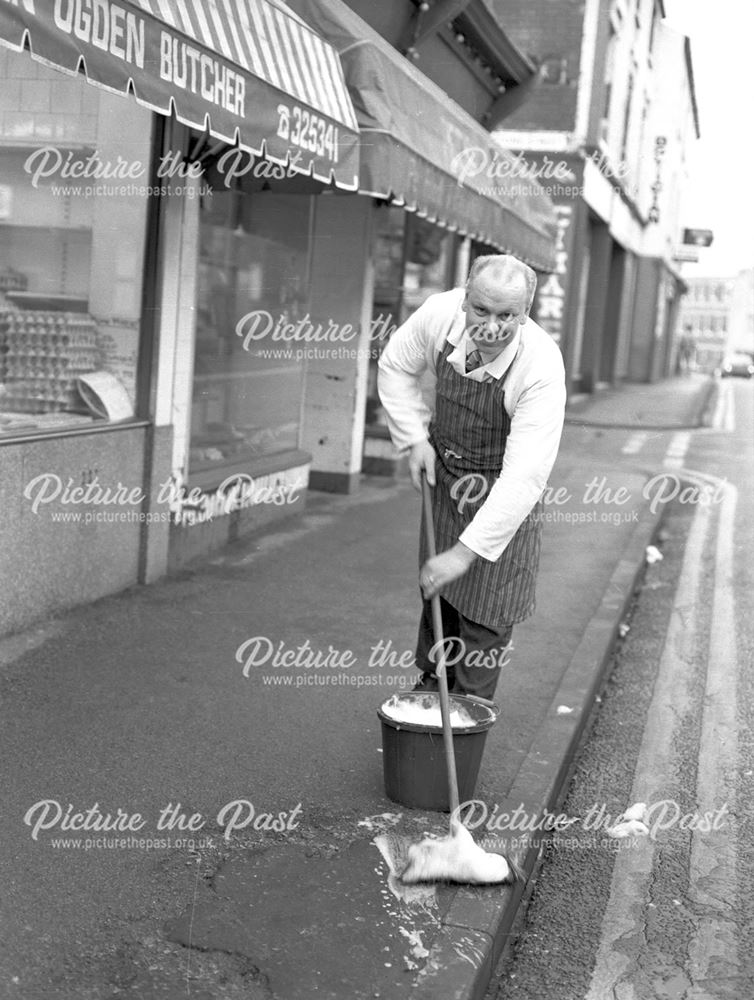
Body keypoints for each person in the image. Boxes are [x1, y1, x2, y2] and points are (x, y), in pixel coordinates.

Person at [378, 253, 566, 699]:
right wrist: (414, 440)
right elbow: (395, 366)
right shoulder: (438, 314)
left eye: (508, 315)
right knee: (440, 599)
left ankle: (467, 715)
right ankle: (428, 696)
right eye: (481, 309)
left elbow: (523, 477)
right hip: (445, 477)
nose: (492, 326)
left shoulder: (540, 366)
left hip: (503, 492)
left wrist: (463, 555)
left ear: (525, 315)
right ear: (465, 298)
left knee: (487, 616)